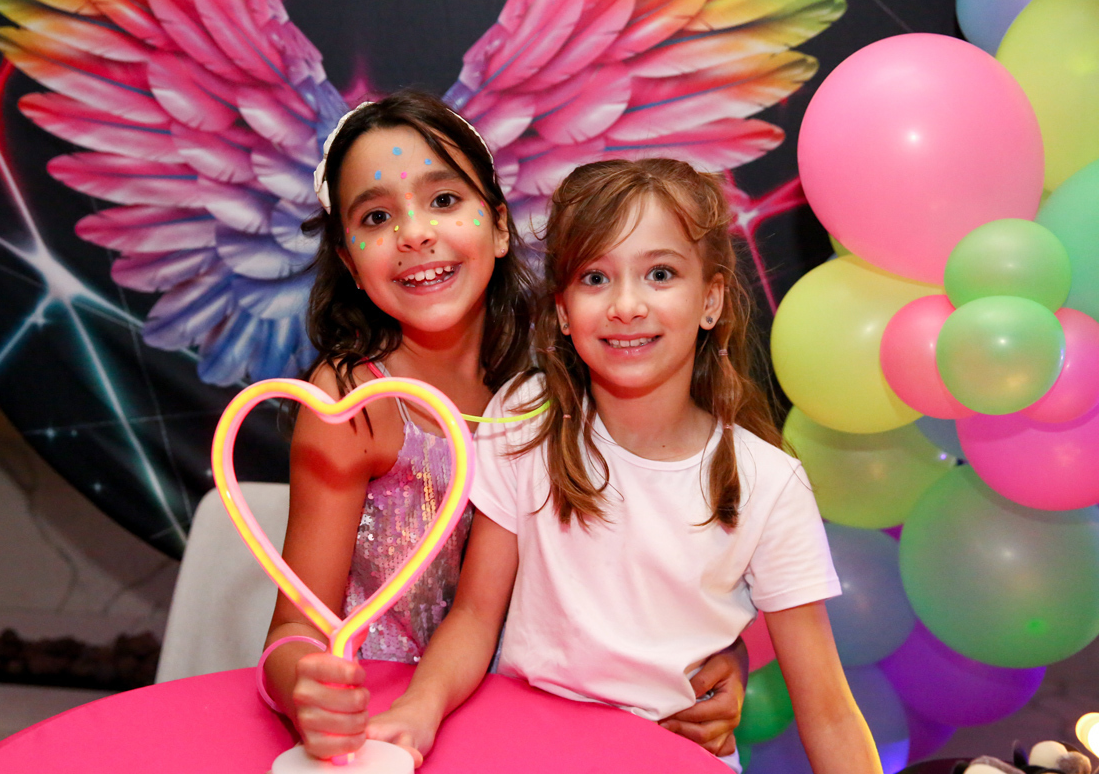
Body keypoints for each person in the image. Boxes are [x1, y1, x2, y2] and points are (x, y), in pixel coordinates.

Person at [258, 94, 748, 761]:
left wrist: (726, 657)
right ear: (349, 261)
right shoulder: (353, 405)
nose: (414, 234)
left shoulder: (553, 391)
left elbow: (649, 568)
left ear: (498, 227)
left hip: (531, 727)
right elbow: (293, 630)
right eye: (376, 216)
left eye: (443, 200)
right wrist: (305, 687)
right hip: (385, 729)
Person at [364, 159, 881, 774]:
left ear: (711, 299)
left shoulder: (768, 483)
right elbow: (476, 615)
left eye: (660, 274)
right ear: (562, 310)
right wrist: (419, 710)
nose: (627, 305)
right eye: (595, 278)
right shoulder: (525, 418)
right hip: (523, 750)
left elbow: (827, 711)